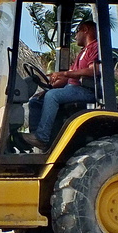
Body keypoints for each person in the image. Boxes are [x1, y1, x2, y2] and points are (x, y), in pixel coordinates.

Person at [22, 20, 100, 150]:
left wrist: (65, 75)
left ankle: (42, 137)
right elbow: (68, 76)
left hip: (86, 90)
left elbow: (93, 70)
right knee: (36, 100)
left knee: (53, 96)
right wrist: (50, 87)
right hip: (72, 88)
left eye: (77, 32)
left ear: (85, 29)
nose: (75, 36)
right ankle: (36, 138)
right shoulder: (82, 52)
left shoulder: (95, 47)